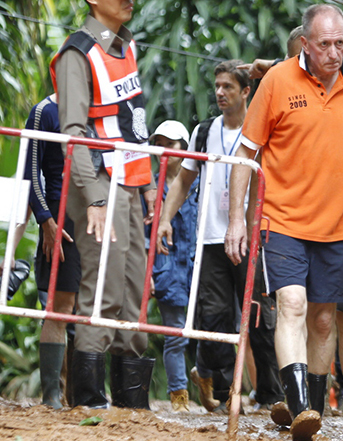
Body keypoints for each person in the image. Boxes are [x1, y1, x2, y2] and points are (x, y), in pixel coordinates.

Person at [225, 4, 343, 440]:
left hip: (339, 225)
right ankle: (302, 406)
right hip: (282, 220)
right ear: (305, 43)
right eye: (323, 44)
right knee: (291, 304)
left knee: (324, 320)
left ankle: (309, 408)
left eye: (340, 43)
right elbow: (245, 156)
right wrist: (237, 220)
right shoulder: (277, 81)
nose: (332, 52)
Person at [156, 60, 283, 414]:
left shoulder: (263, 127)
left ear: (246, 91)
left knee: (259, 316)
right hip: (211, 237)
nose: (220, 93)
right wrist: (165, 218)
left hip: (254, 237)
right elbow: (183, 180)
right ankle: (229, 393)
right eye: (217, 86)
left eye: (228, 86)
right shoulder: (204, 131)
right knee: (213, 317)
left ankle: (271, 395)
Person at [50, 0, 157, 409]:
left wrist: (147, 182)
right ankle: (90, 402)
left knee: (133, 291)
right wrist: (92, 198)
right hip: (97, 181)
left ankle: (132, 405)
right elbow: (73, 132)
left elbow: (134, 119)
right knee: (104, 291)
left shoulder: (125, 46)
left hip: (129, 181)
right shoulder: (77, 52)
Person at [23, 94, 81, 410]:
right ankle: (52, 396)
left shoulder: (101, 109)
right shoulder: (45, 110)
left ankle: (84, 394)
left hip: (96, 213)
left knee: (91, 305)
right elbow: (30, 171)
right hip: (60, 214)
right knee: (61, 303)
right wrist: (46, 219)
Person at [145, 120, 195, 412]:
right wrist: (148, 272)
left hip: (201, 269)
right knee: (174, 335)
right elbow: (141, 234)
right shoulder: (149, 190)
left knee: (213, 329)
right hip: (168, 270)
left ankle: (211, 383)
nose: (164, 150)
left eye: (171, 144)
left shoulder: (202, 183)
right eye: (159, 144)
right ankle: (179, 397)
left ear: (184, 148)